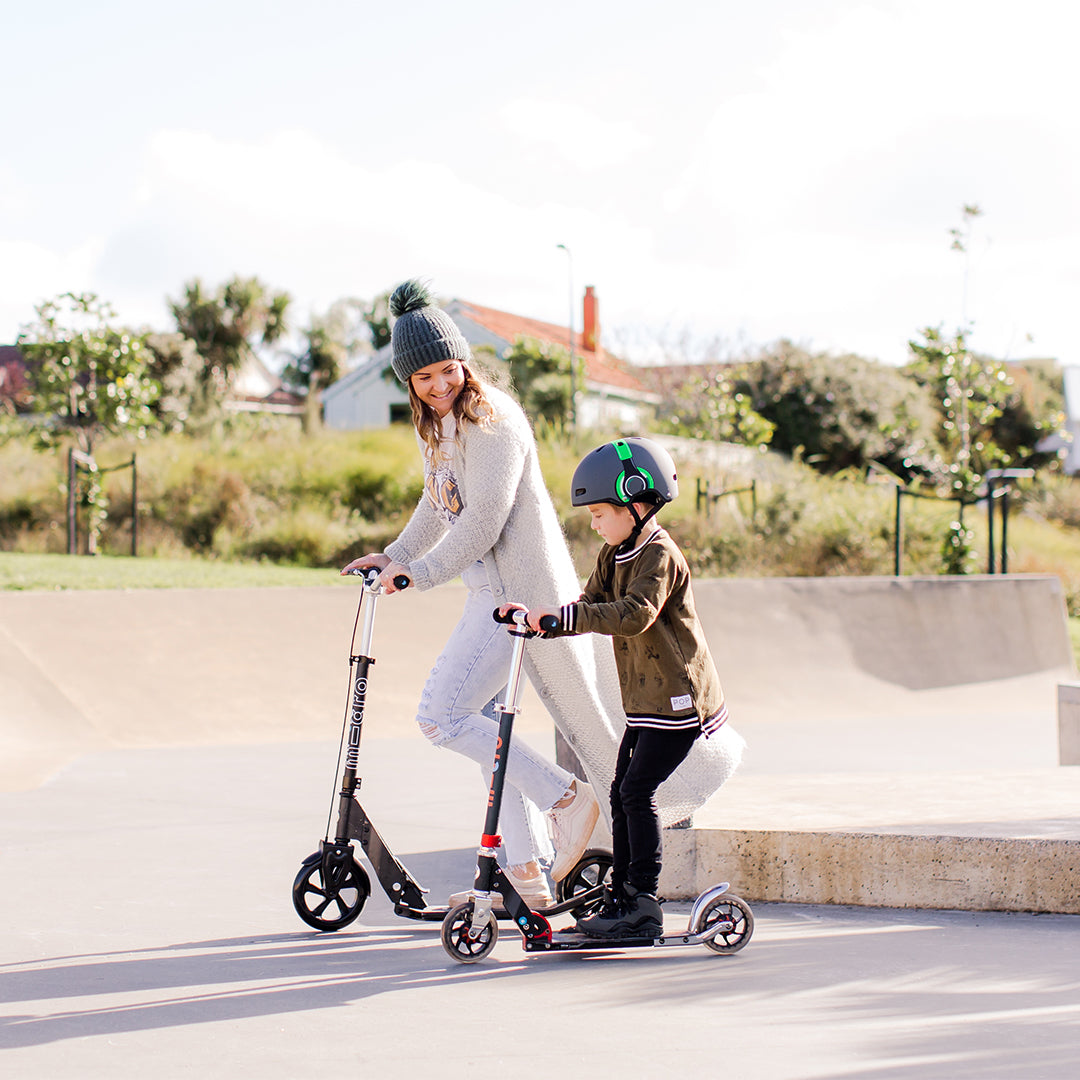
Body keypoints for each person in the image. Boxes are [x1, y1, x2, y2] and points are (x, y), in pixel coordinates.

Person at [341, 278, 607, 906]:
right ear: (408, 382)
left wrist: (419, 575)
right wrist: (397, 554)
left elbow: (484, 518)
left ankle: (567, 798)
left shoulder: (492, 422)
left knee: (443, 715)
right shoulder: (439, 425)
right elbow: (439, 504)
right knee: (487, 732)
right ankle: (529, 876)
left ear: (463, 360)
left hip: (515, 596)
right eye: (423, 377)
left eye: (446, 369)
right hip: (487, 593)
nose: (439, 385)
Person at [510, 437, 738, 938]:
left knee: (636, 792)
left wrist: (565, 617)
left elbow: (635, 615)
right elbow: (586, 602)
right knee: (619, 792)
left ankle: (643, 902)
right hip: (645, 698)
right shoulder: (615, 553)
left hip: (679, 699)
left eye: (599, 512)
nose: (594, 523)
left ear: (637, 501)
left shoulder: (659, 554)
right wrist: (537, 619)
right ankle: (626, 892)